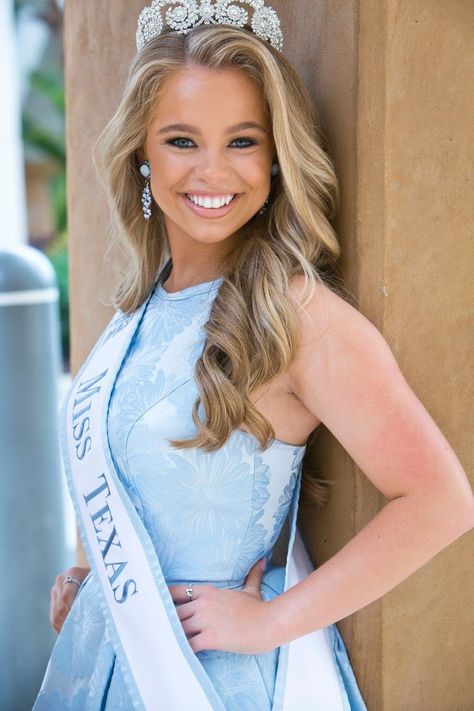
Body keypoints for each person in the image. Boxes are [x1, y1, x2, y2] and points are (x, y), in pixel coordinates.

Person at [34, 2, 474, 709]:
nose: (213, 170)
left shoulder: (294, 314)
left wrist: (272, 619)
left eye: (242, 141)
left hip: (208, 681)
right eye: (181, 140)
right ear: (141, 152)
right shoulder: (136, 309)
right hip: (106, 665)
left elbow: (441, 500)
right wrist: (96, 589)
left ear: (276, 156)